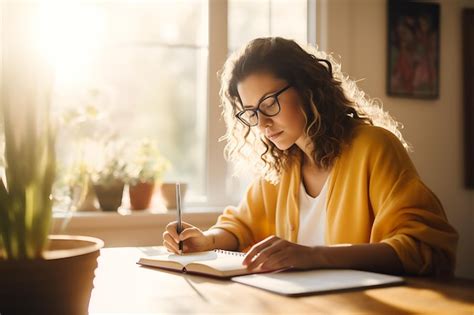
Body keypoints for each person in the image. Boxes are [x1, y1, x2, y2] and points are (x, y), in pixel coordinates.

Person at [163, 37, 458, 276]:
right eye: (251, 113)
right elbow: (240, 225)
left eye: (269, 103)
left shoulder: (374, 147)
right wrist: (206, 240)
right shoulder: (282, 166)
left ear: (308, 88)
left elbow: (424, 247)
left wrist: (313, 256)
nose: (263, 123)